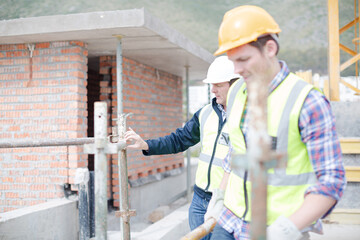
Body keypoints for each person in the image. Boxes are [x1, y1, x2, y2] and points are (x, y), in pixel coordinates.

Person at [205, 5, 347, 240]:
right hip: (229, 223)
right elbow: (235, 154)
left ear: (270, 48)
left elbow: (331, 181)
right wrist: (220, 196)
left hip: (277, 230)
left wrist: (287, 228)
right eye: (232, 61)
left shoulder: (307, 101)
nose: (237, 70)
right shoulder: (237, 91)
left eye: (243, 59)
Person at [124, 56, 240, 240]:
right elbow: (179, 140)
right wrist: (146, 144)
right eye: (211, 84)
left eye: (218, 84)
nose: (213, 89)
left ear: (235, 84)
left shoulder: (246, 118)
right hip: (199, 201)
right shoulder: (205, 114)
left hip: (228, 203)